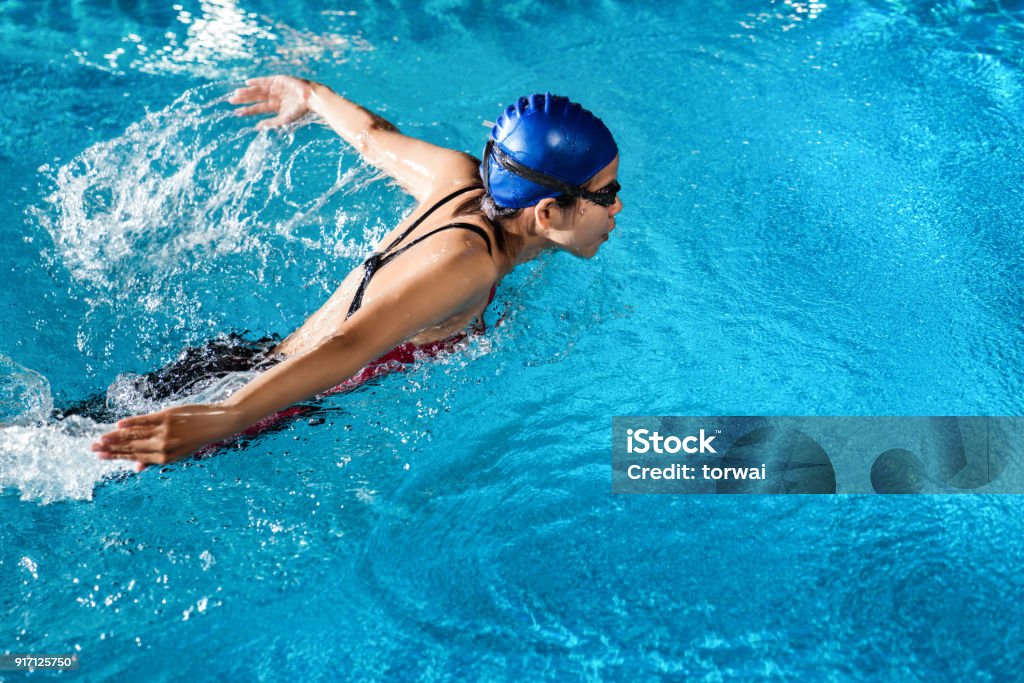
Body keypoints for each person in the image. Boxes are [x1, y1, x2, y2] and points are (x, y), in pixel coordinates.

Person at [91, 76, 622, 471]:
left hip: (243, 361)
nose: (617, 209)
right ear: (547, 214)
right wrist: (224, 416)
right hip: (250, 398)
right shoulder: (468, 263)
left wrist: (310, 94)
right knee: (69, 460)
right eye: (607, 195)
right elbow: (349, 346)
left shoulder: (457, 178)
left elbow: (372, 136)